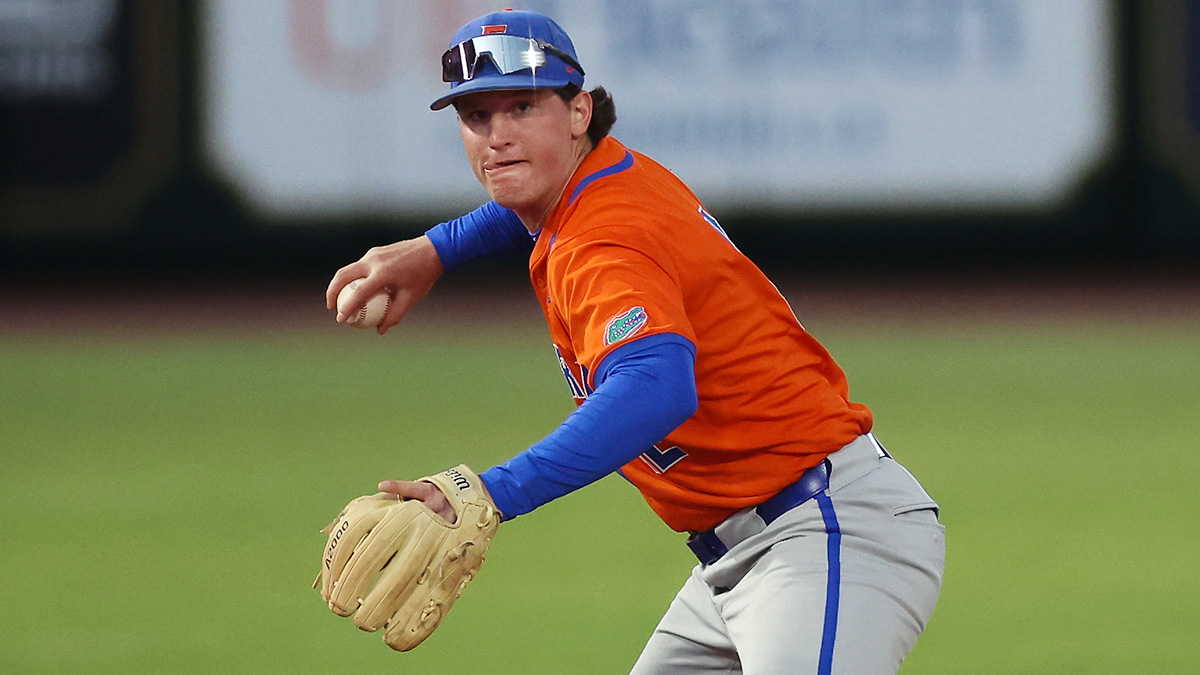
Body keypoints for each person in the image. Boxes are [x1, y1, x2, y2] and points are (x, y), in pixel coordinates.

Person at [326, 9, 945, 674]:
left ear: (578, 112)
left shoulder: (605, 239)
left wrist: (493, 492)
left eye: (522, 107)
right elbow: (528, 198)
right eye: (477, 115)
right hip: (743, 557)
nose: (498, 136)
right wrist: (437, 248)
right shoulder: (600, 177)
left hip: (823, 537)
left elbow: (656, 387)